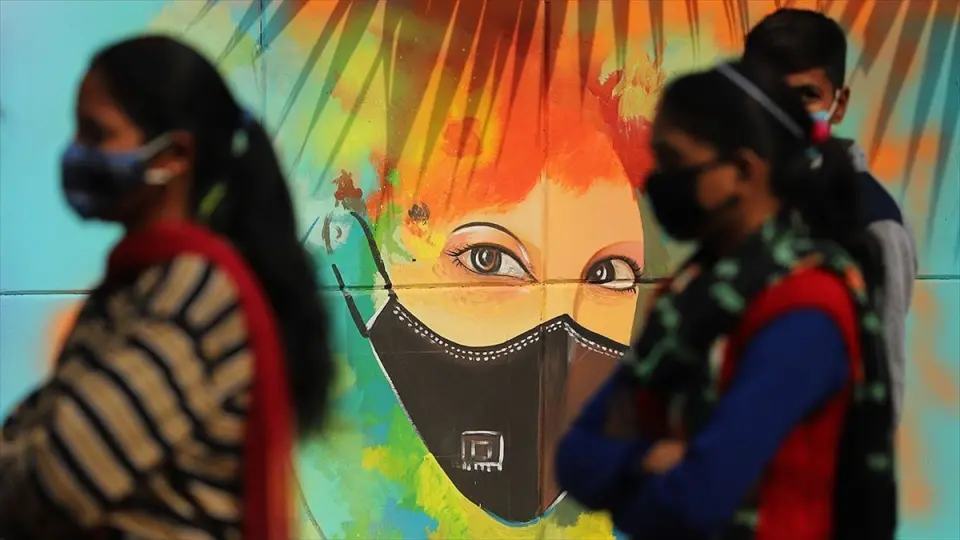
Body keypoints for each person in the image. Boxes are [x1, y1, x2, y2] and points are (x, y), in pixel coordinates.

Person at [0, 35, 333, 540]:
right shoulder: (141, 285)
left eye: (97, 134)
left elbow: (54, 484)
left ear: (173, 155)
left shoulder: (192, 296)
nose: (76, 153)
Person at [555, 60, 897, 539]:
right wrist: (651, 460)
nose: (656, 182)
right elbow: (575, 459)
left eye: (674, 162)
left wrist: (630, 488)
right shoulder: (690, 296)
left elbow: (699, 500)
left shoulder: (805, 306)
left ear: (742, 170)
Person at [743, 7, 916, 423]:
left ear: (838, 105)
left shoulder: (872, 224)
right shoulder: (745, 204)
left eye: (807, 96)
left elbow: (882, 384)